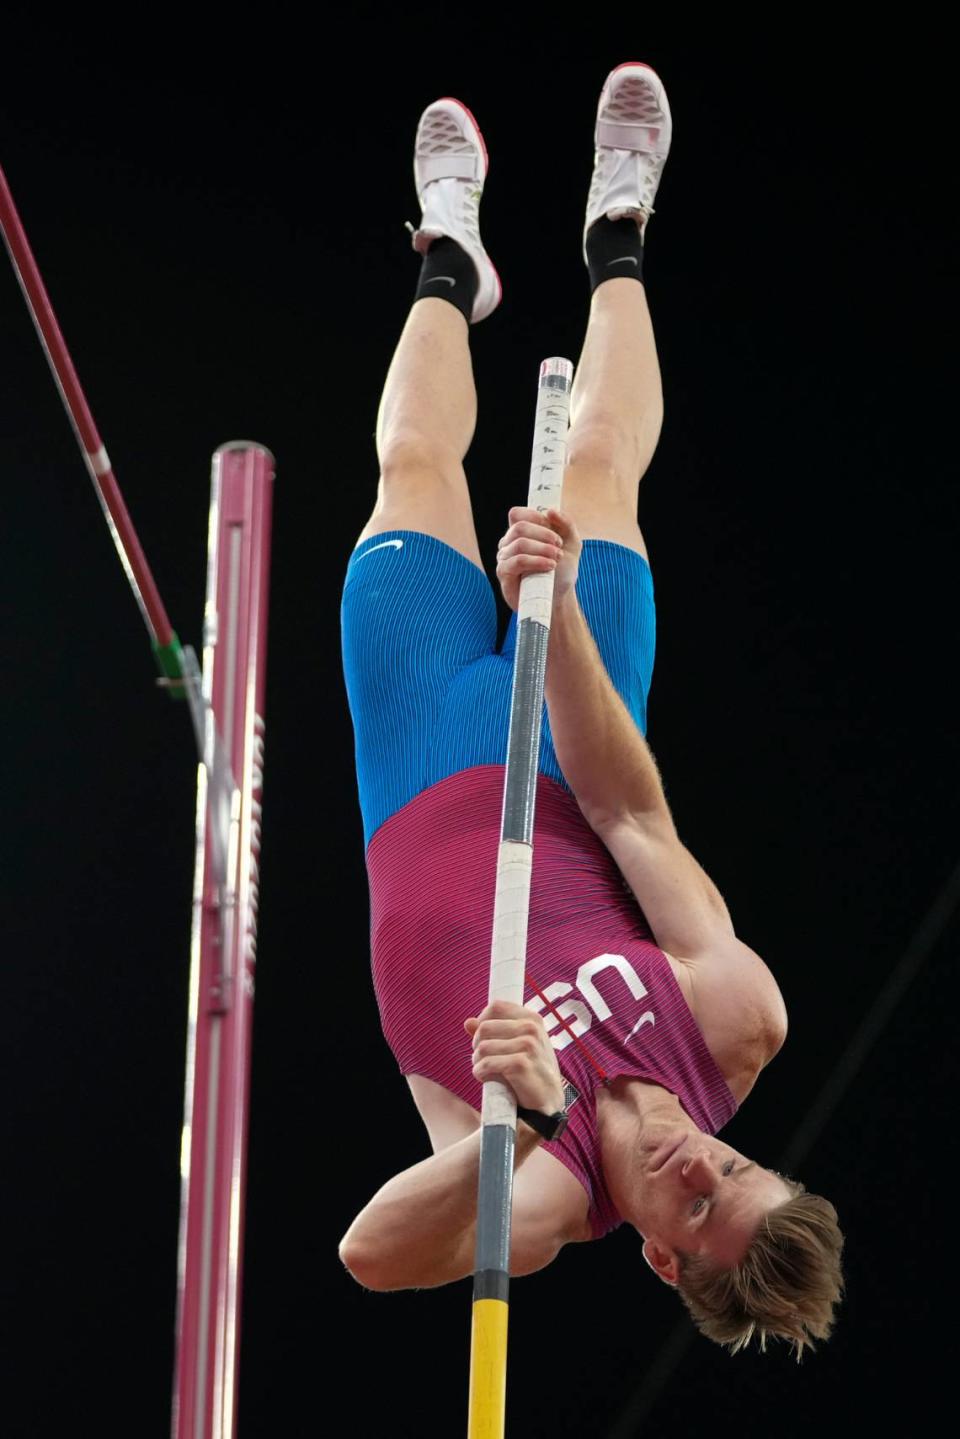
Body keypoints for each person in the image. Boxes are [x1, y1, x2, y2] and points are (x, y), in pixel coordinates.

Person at [338, 62, 843, 1356]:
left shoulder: (542, 1197)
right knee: (597, 472)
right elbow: (631, 806)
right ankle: (619, 231)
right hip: (567, 742)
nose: (697, 1158)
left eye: (693, 1198)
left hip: (406, 771)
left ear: (670, 1263)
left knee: (409, 464)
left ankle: (447, 251)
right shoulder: (734, 1026)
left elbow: (372, 1252)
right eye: (734, 1167)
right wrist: (550, 616)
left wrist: (521, 1108)